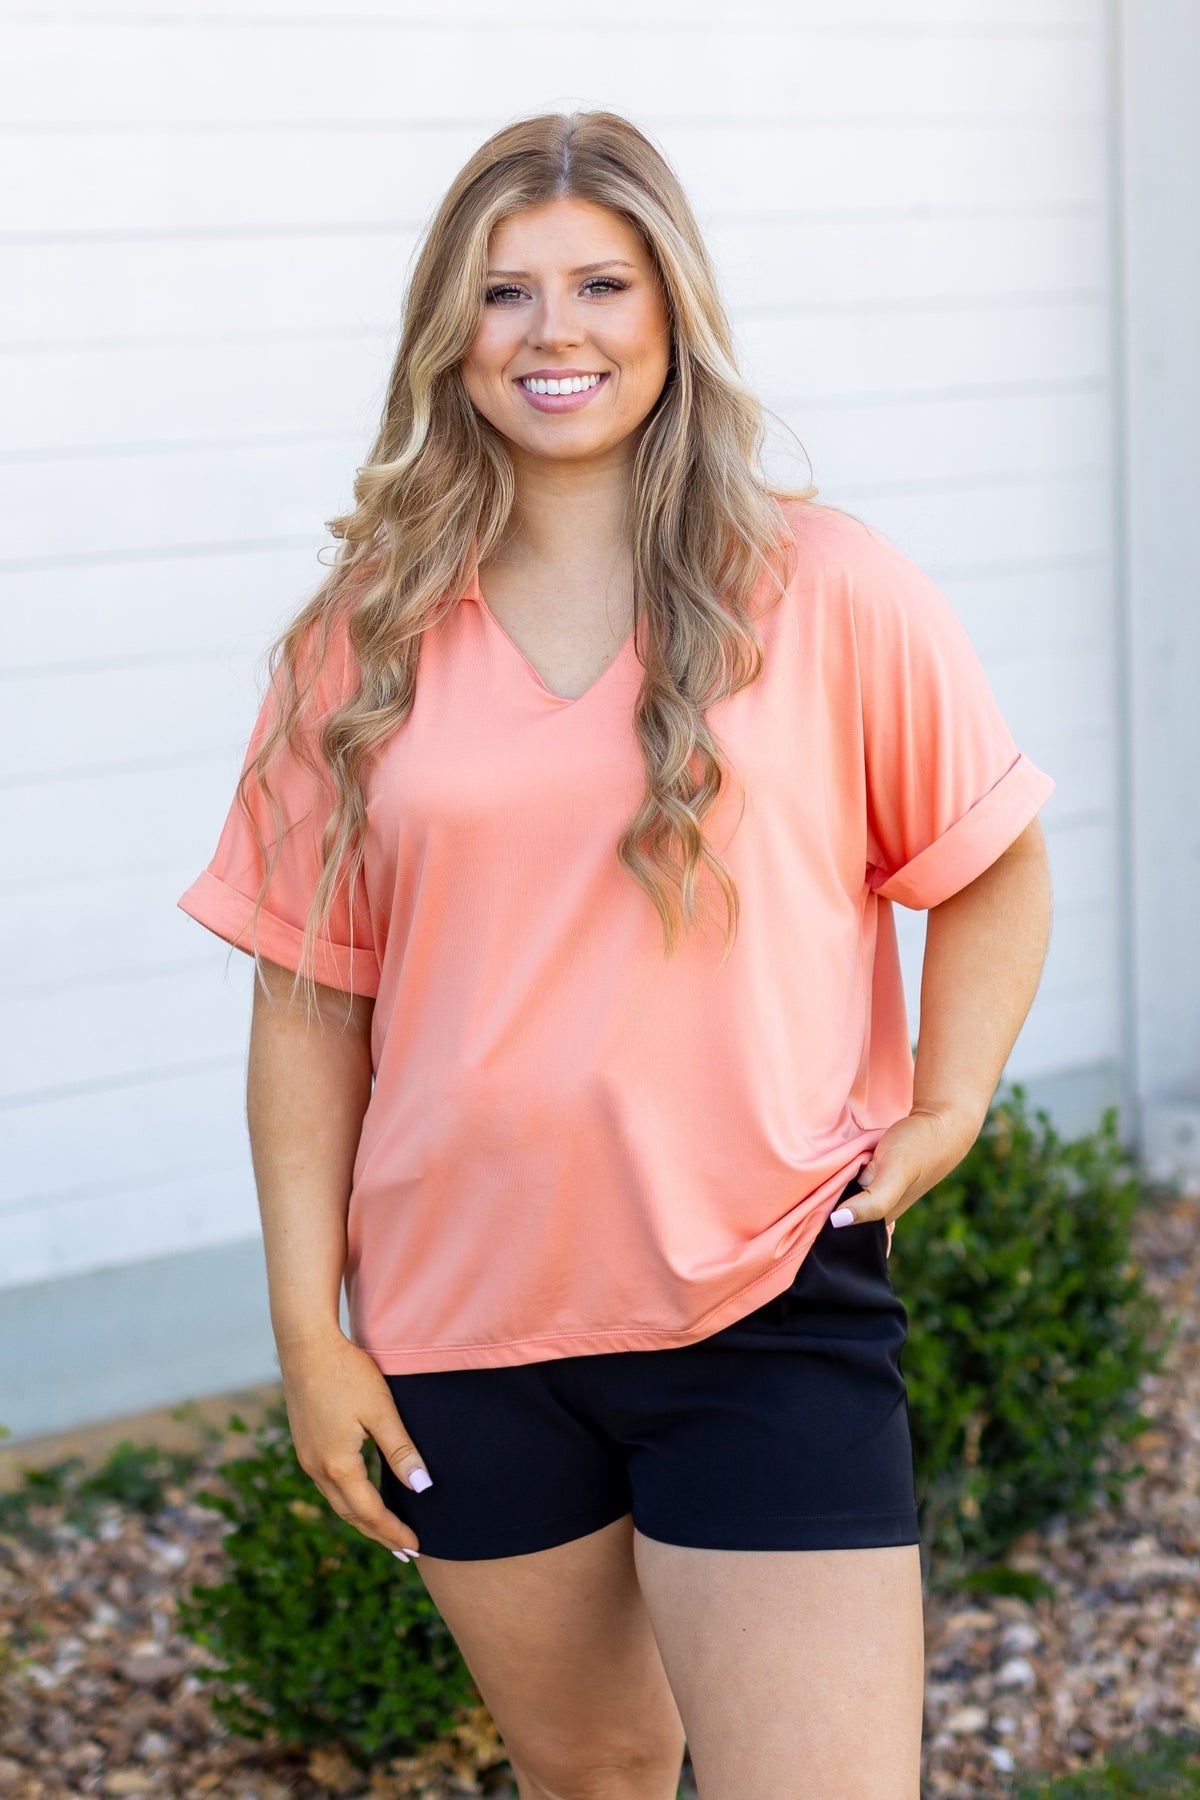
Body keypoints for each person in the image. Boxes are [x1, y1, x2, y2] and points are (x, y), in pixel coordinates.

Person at [178, 109, 1054, 1800]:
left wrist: (947, 1108)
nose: (554, 332)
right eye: (506, 294)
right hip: (460, 1330)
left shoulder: (825, 585)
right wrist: (313, 1332)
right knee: (596, 1777)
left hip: (762, 1295)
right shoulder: (354, 642)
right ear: (452, 331)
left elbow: (993, 863)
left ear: (673, 312)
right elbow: (309, 1004)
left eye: (601, 283)